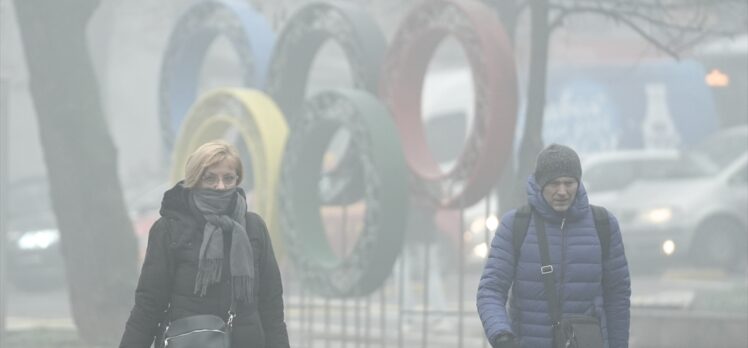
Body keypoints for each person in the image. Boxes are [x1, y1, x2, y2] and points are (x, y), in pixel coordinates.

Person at [120, 141, 289, 348]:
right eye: (210, 178)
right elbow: (149, 304)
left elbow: (271, 306)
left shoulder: (253, 228)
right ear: (194, 180)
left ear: (238, 179)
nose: (221, 186)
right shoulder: (169, 229)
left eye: (228, 178)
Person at [476, 144, 631, 347]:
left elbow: (617, 297)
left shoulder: (603, 224)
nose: (562, 191)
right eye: (554, 183)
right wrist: (502, 336)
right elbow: (491, 290)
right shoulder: (516, 224)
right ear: (540, 184)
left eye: (569, 183)